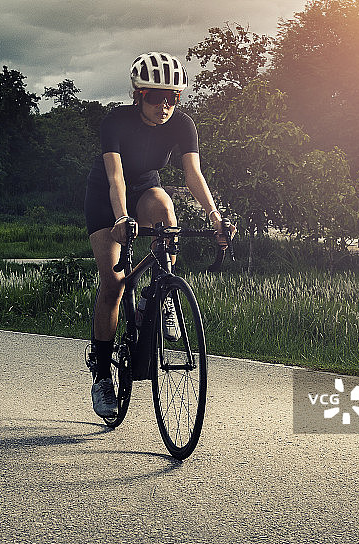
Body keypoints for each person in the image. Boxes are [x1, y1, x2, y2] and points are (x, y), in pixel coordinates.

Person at [84, 51, 230, 418]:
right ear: (139, 95)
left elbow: (193, 175)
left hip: (146, 189)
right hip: (106, 198)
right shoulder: (115, 121)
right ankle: (102, 376)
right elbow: (116, 177)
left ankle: (162, 293)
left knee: (166, 209)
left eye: (172, 98)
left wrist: (215, 217)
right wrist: (121, 217)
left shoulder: (182, 124)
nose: (164, 106)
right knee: (114, 284)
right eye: (155, 97)